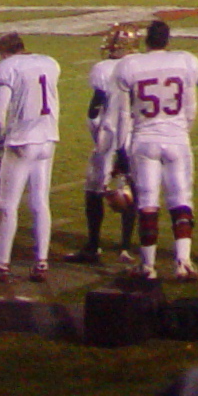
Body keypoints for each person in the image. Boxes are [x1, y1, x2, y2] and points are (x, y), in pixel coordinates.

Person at [110, 17, 198, 282]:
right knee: (181, 198)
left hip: (144, 138)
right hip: (176, 137)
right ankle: (183, 262)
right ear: (167, 39)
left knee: (148, 202)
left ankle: (148, 265)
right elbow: (191, 107)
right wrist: (180, 129)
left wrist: (121, 149)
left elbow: (122, 115)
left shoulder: (130, 65)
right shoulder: (185, 61)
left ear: (147, 40)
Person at [0, 30, 60, 281]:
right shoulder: (49, 63)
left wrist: (0, 147)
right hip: (48, 139)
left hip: (22, 141)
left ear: (4, 52)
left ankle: (1, 263)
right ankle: (41, 262)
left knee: (7, 204)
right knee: (40, 201)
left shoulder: (7, 67)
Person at [75, 20, 142, 264]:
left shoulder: (103, 69)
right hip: (136, 134)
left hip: (109, 135)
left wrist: (98, 138)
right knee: (133, 188)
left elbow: (94, 110)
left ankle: (93, 244)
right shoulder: (140, 66)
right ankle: (127, 246)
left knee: (94, 190)